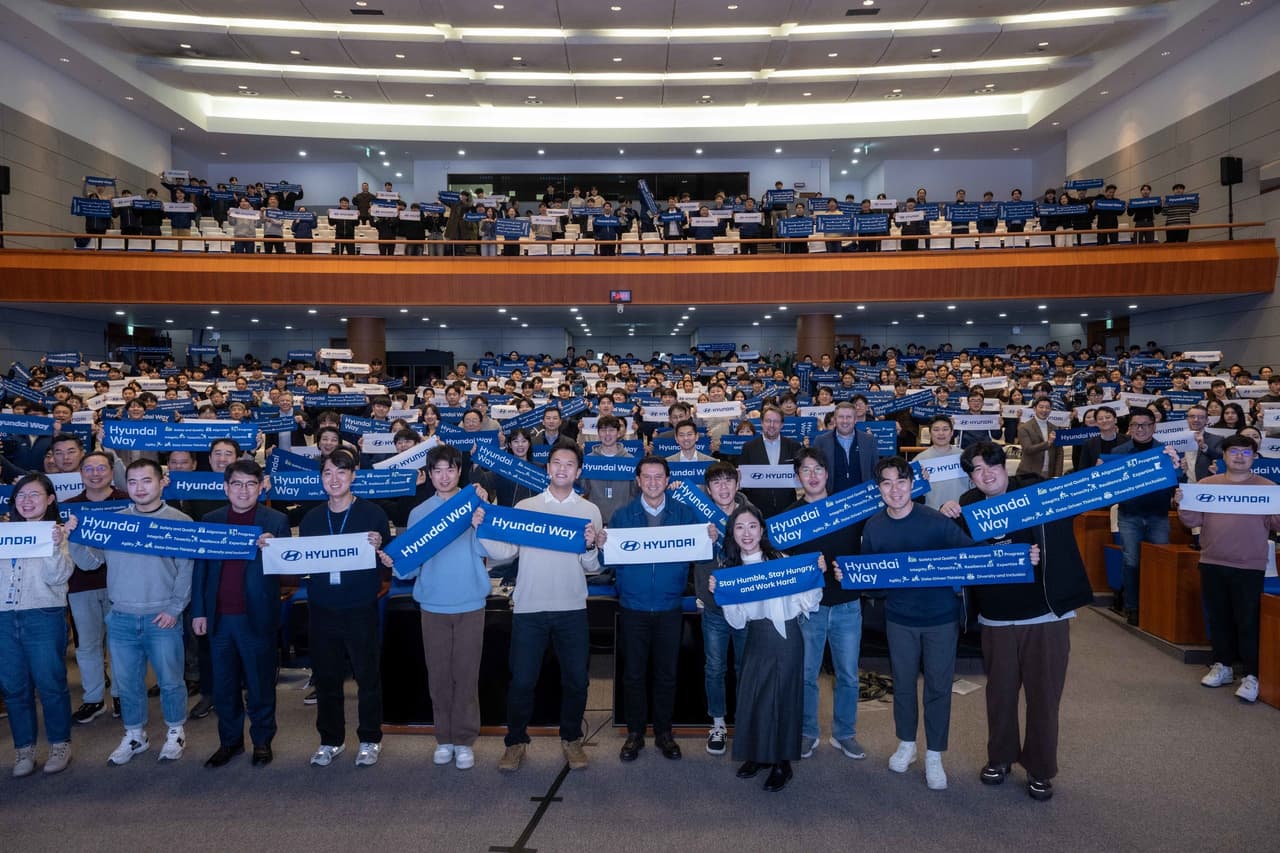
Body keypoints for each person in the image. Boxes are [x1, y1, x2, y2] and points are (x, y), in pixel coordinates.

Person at [945, 442, 1088, 802]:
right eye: (977, 469)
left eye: (991, 464)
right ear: (971, 477)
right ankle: (1000, 757)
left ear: (1003, 466)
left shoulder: (1037, 493)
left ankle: (1040, 768)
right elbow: (961, 553)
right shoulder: (967, 506)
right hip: (995, 618)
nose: (986, 472)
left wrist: (1162, 469)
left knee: (1043, 697)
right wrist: (948, 514)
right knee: (1000, 695)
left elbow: (1094, 492)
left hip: (1044, 615)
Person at [853, 457, 974, 791]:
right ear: (879, 489)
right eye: (887, 483)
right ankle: (906, 743)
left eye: (901, 481)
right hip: (900, 620)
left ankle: (934, 754)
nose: (895, 489)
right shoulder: (874, 527)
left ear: (913, 484)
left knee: (938, 687)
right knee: (903, 686)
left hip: (940, 619)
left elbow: (971, 557)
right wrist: (853, 577)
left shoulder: (935, 521)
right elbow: (871, 581)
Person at [482, 440, 603, 773]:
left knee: (577, 680)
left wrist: (592, 546)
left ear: (578, 472)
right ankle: (515, 742)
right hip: (529, 609)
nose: (562, 468)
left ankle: (571, 739)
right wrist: (483, 525)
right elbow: (504, 553)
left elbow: (592, 566)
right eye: (556, 462)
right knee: (522, 680)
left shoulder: (589, 511)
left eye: (569, 464)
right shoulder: (526, 507)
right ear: (547, 468)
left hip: (572, 609)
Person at [379, 445, 499, 771]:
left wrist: (484, 520)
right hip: (432, 605)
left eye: (450, 469)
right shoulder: (419, 513)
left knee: (466, 676)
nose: (444, 476)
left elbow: (493, 551)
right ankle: (444, 738)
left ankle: (464, 740)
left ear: (459, 471)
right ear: (429, 475)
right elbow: (409, 566)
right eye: (437, 470)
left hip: (471, 603)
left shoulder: (475, 505)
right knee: (439, 678)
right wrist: (394, 561)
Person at [67, 459, 194, 765]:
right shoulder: (114, 522)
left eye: (146, 481)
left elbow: (185, 569)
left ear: (162, 482)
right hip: (121, 617)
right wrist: (74, 536)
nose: (139, 488)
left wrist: (175, 608)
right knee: (128, 684)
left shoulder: (179, 521)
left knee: (171, 681)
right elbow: (89, 562)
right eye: (134, 482)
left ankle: (176, 731)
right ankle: (135, 735)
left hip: (161, 617)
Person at [600, 456, 714, 763]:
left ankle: (664, 733)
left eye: (658, 477)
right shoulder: (622, 515)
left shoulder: (685, 514)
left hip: (669, 606)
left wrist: (711, 539)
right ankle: (635, 733)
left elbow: (703, 554)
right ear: (638, 481)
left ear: (667, 481)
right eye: (646, 477)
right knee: (634, 674)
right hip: (633, 606)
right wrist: (600, 544)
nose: (652, 482)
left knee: (667, 674)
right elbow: (605, 561)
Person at [713, 504, 823, 793]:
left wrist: (815, 575)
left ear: (762, 530)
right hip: (757, 637)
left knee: (783, 698)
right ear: (732, 534)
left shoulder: (783, 560)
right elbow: (737, 622)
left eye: (752, 526)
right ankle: (759, 756)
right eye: (739, 527)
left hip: (787, 636)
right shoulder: (732, 571)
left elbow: (809, 603)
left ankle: (781, 763)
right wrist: (722, 594)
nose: (746, 533)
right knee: (754, 695)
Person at [190, 460, 291, 768]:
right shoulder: (211, 519)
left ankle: (262, 741)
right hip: (219, 618)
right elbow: (200, 571)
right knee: (223, 686)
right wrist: (198, 612)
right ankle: (230, 742)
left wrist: (275, 550)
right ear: (226, 487)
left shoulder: (275, 521)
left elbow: (289, 570)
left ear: (261, 488)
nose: (244, 490)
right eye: (237, 484)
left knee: (260, 684)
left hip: (256, 618)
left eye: (251, 484)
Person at [299, 449, 391, 768]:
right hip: (322, 608)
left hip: (359, 607)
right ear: (321, 478)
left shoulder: (373, 514)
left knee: (367, 676)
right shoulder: (311, 519)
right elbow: (298, 561)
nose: (334, 479)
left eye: (341, 472)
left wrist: (381, 545)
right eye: (327, 473)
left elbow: (389, 559)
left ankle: (369, 738)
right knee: (327, 679)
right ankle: (330, 740)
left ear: (353, 475)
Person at [1176, 434, 1280, 703]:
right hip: (1212, 561)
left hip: (1250, 565)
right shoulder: (1207, 484)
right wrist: (1183, 502)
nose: (1239, 457)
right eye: (1234, 451)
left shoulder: (1268, 488)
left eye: (1246, 453)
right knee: (1218, 618)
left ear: (1254, 457)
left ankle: (1251, 675)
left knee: (1248, 621)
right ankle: (1221, 665)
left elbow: (1277, 524)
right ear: (1223, 456)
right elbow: (1191, 520)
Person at [787, 448, 867, 763]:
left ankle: (844, 733)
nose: (813, 475)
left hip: (847, 604)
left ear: (827, 473)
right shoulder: (791, 516)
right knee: (806, 674)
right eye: (805, 470)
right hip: (810, 608)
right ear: (798, 477)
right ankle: (808, 732)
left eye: (818, 468)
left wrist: (853, 568)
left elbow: (868, 546)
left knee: (848, 674)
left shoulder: (845, 508)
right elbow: (783, 564)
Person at [0, 473, 74, 776]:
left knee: (50, 684)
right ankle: (24, 750)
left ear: (50, 500)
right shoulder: (4, 532)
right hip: (4, 618)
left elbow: (59, 578)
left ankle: (59, 744)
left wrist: (56, 547)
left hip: (43, 615)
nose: (27, 501)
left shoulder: (56, 533)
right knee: (14, 688)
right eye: (21, 495)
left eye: (34, 495)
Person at [694, 462, 753, 755]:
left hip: (745, 609)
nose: (723, 487)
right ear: (708, 488)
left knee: (746, 668)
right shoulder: (698, 514)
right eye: (717, 482)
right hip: (714, 609)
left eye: (728, 480)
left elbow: (761, 554)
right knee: (714, 668)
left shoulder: (751, 514)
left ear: (737, 483)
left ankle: (745, 722)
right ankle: (717, 724)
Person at [65, 451, 125, 724]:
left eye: (101, 468)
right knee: (88, 646)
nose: (95, 474)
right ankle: (93, 698)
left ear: (111, 472)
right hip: (81, 586)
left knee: (121, 645)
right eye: (89, 469)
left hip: (122, 584)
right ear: (81, 474)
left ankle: (123, 695)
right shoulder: (69, 507)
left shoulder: (127, 501)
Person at [1111, 409, 1180, 624]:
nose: (1140, 429)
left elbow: (1176, 483)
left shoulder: (1166, 451)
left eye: (1145, 424)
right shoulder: (1119, 452)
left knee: (1161, 561)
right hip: (1129, 514)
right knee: (1131, 561)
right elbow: (1111, 486)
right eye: (1135, 425)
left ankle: (1157, 605)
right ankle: (1132, 607)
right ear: (1129, 428)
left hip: (1158, 514)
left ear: (1154, 426)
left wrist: (1180, 469)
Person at [738, 406, 803, 518]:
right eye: (768, 421)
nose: (772, 425)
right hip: (757, 509)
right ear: (762, 423)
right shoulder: (748, 448)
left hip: (788, 507)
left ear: (782, 425)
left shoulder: (794, 446)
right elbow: (745, 481)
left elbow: (801, 474)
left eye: (776, 421)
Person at [811, 400, 880, 495]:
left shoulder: (869, 440)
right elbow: (815, 472)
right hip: (831, 500)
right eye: (841, 417)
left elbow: (875, 471)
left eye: (849, 417)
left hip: (863, 499)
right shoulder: (821, 441)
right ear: (835, 420)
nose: (845, 421)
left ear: (855, 420)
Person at [1016, 397, 1063, 478]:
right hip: (1029, 473)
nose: (1044, 410)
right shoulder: (1024, 427)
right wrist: (1048, 443)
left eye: (1047, 408)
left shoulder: (1055, 428)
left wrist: (1057, 475)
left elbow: (1059, 454)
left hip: (1049, 473)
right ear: (1034, 409)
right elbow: (1028, 449)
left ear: (1051, 410)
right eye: (1041, 407)